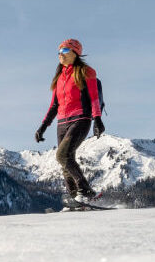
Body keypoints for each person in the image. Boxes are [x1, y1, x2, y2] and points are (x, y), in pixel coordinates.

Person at [35, 38, 105, 206]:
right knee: (65, 162)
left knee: (62, 155)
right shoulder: (59, 78)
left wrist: (97, 120)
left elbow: (94, 98)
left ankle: (85, 191)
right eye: (59, 51)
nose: (61, 54)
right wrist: (43, 127)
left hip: (80, 119)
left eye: (65, 51)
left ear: (75, 53)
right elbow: (54, 105)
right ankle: (75, 199)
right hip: (62, 122)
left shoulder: (86, 72)